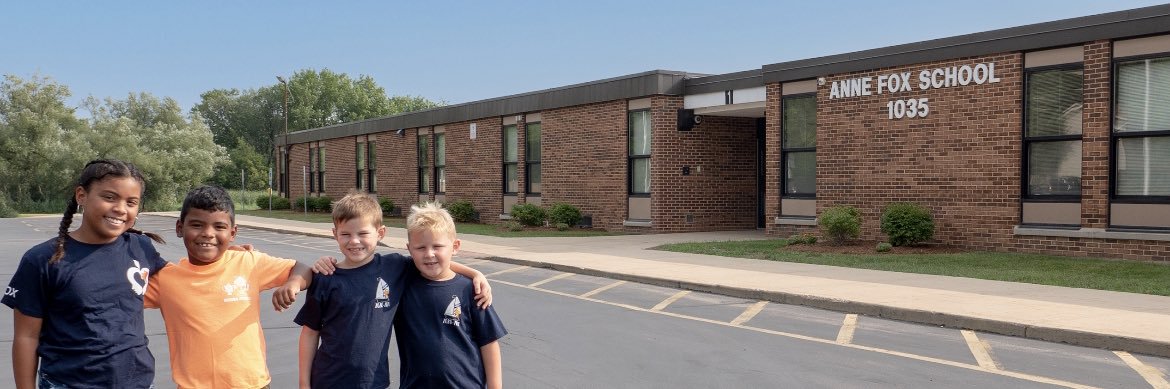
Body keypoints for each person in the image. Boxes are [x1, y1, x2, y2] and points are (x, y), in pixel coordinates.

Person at [296, 192, 493, 389]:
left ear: (380, 233)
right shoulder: (326, 277)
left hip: (374, 383)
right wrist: (304, 384)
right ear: (335, 234)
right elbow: (310, 333)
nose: (354, 241)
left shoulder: (394, 267)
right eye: (346, 234)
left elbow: (433, 262)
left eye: (363, 234)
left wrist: (475, 273)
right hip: (328, 381)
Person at [3, 159, 169, 389]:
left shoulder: (141, 247)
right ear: (81, 196)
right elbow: (26, 337)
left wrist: (221, 254)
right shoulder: (43, 259)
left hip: (137, 381)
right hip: (68, 383)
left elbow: (185, 280)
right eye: (109, 197)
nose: (121, 209)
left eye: (131, 202)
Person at [144, 185, 313, 389]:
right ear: (180, 228)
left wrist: (293, 284)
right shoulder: (165, 279)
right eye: (197, 225)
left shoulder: (248, 262)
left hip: (251, 385)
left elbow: (302, 269)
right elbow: (119, 292)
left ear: (232, 233)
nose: (208, 233)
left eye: (219, 227)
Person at [395, 202, 507, 389]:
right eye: (420, 248)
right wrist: (474, 271)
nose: (429, 254)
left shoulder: (471, 290)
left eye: (437, 246)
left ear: (455, 246)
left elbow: (489, 343)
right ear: (409, 249)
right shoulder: (403, 281)